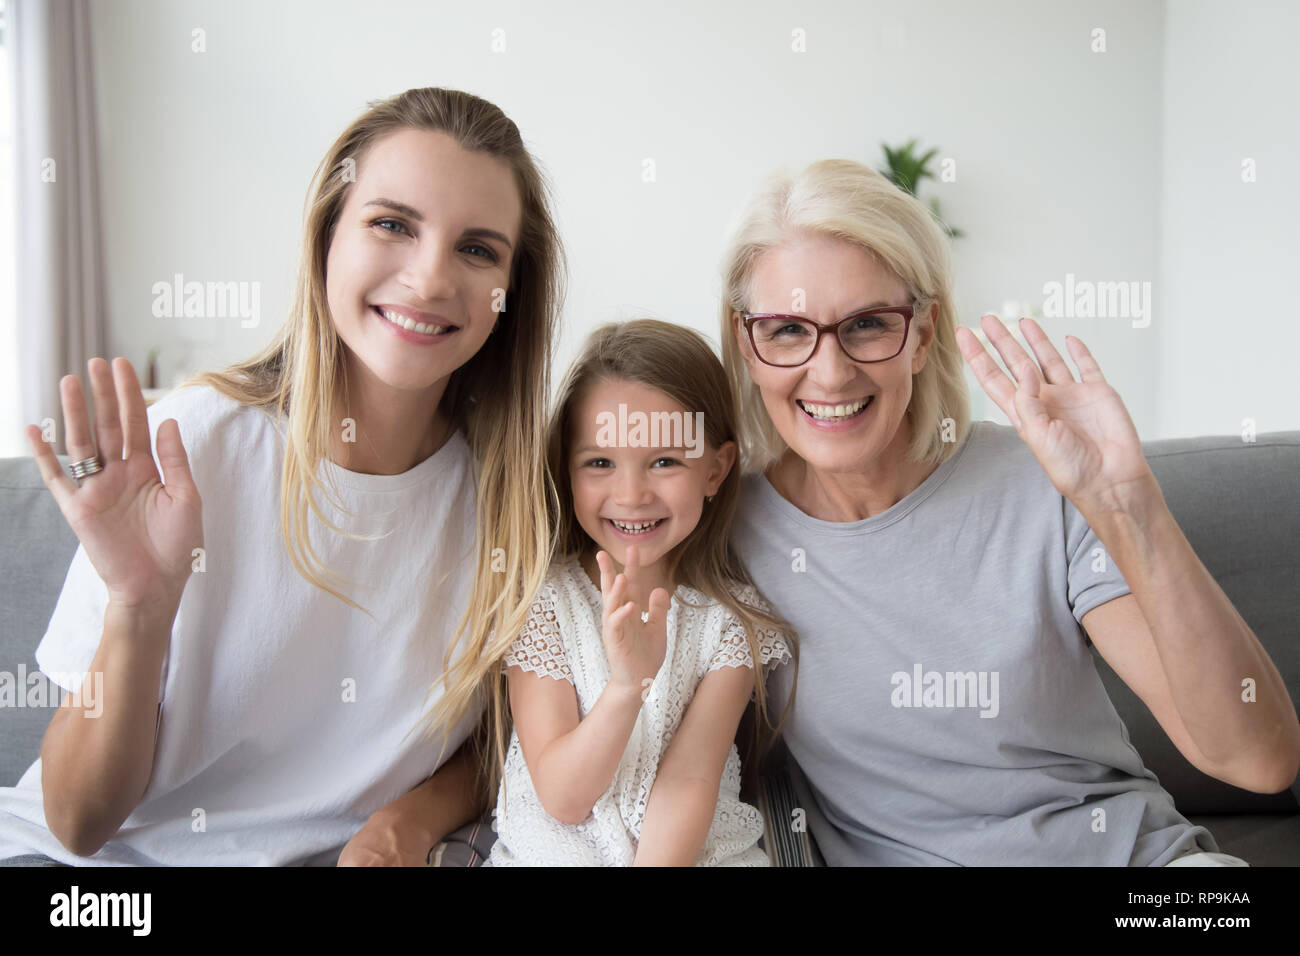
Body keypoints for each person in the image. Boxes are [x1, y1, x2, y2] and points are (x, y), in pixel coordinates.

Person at [0, 87, 564, 866]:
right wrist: (139, 607)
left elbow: (515, 734)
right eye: (392, 224)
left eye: (478, 249)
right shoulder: (193, 444)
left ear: (511, 293)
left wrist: (408, 820)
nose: (432, 279)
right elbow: (75, 822)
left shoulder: (513, 505)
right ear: (327, 238)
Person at [720, 158, 1300, 866]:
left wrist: (1129, 504)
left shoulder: (1042, 484)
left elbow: (1258, 760)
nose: (831, 371)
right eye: (787, 330)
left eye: (869, 324)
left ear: (925, 332)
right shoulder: (724, 531)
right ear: (747, 343)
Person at [486, 320, 795, 865]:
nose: (630, 494)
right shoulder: (545, 604)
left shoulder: (731, 625)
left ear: (716, 470)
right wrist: (627, 688)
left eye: (665, 461)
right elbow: (563, 796)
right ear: (568, 469)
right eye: (600, 462)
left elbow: (689, 784)